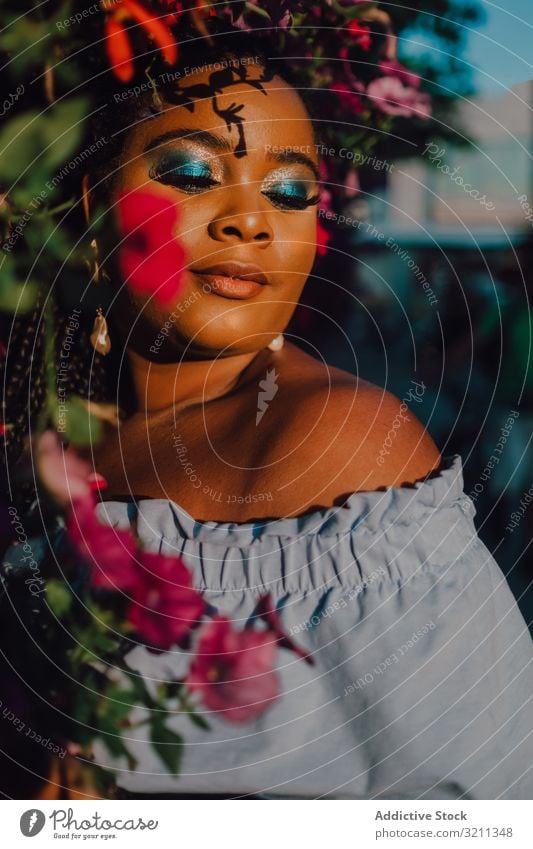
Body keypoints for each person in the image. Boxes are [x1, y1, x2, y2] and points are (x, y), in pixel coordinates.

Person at [2, 33, 532, 802]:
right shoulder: (51, 434)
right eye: (192, 172)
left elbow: (487, 804)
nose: (250, 221)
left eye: (288, 192)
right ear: (90, 205)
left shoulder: (337, 447)